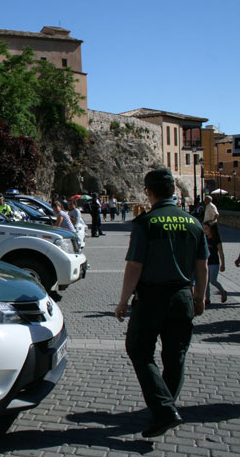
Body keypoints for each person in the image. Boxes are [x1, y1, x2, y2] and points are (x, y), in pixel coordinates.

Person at [114, 168, 208, 438]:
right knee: (175, 356)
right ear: (174, 191)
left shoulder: (146, 222)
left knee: (139, 351)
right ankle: (165, 409)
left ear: (149, 191)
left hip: (152, 297)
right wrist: (199, 297)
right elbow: (201, 267)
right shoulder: (193, 223)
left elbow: (134, 265)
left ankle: (164, 410)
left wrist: (122, 302)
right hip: (182, 296)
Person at [203, 221, 227, 304]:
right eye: (204, 229)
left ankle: (223, 291)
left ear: (211, 229)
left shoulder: (216, 240)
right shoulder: (204, 238)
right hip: (206, 262)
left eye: (206, 229)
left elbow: (221, 252)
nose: (204, 230)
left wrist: (223, 264)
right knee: (206, 281)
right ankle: (207, 299)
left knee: (213, 281)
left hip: (214, 263)